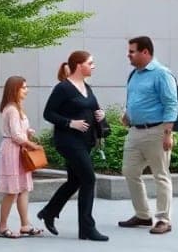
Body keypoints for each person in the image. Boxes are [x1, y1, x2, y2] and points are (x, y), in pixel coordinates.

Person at [39, 51, 107, 241]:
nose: (93, 66)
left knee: (75, 181)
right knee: (89, 179)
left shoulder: (87, 87)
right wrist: (70, 123)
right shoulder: (63, 88)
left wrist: (100, 115)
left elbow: (93, 108)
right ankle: (87, 228)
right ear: (79, 65)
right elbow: (48, 113)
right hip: (68, 141)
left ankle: (49, 212)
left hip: (86, 142)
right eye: (90, 63)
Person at [119, 36, 177, 235]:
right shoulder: (134, 74)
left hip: (157, 131)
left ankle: (163, 219)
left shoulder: (162, 73)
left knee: (161, 175)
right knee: (129, 171)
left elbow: (171, 104)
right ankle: (143, 215)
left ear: (145, 52)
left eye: (132, 51)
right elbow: (134, 99)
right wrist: (128, 115)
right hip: (135, 131)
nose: (128, 55)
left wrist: (168, 134)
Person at [0, 76, 42, 239]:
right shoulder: (12, 109)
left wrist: (28, 133)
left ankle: (25, 225)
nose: (26, 90)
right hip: (12, 150)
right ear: (15, 90)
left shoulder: (16, 108)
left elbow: (18, 131)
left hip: (18, 150)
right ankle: (2, 226)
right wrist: (31, 144)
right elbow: (15, 135)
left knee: (22, 188)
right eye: (23, 87)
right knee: (12, 190)